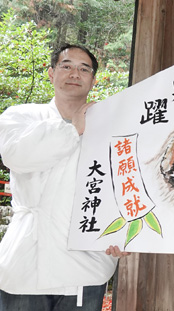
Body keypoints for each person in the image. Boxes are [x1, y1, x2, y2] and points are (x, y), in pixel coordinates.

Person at [0, 44, 129, 311]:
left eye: (84, 69)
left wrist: (127, 234)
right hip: (26, 261)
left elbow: (125, 186)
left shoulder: (113, 127)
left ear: (93, 80)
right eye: (66, 66)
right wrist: (73, 129)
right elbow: (16, 157)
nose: (75, 73)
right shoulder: (20, 116)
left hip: (87, 263)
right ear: (50, 73)